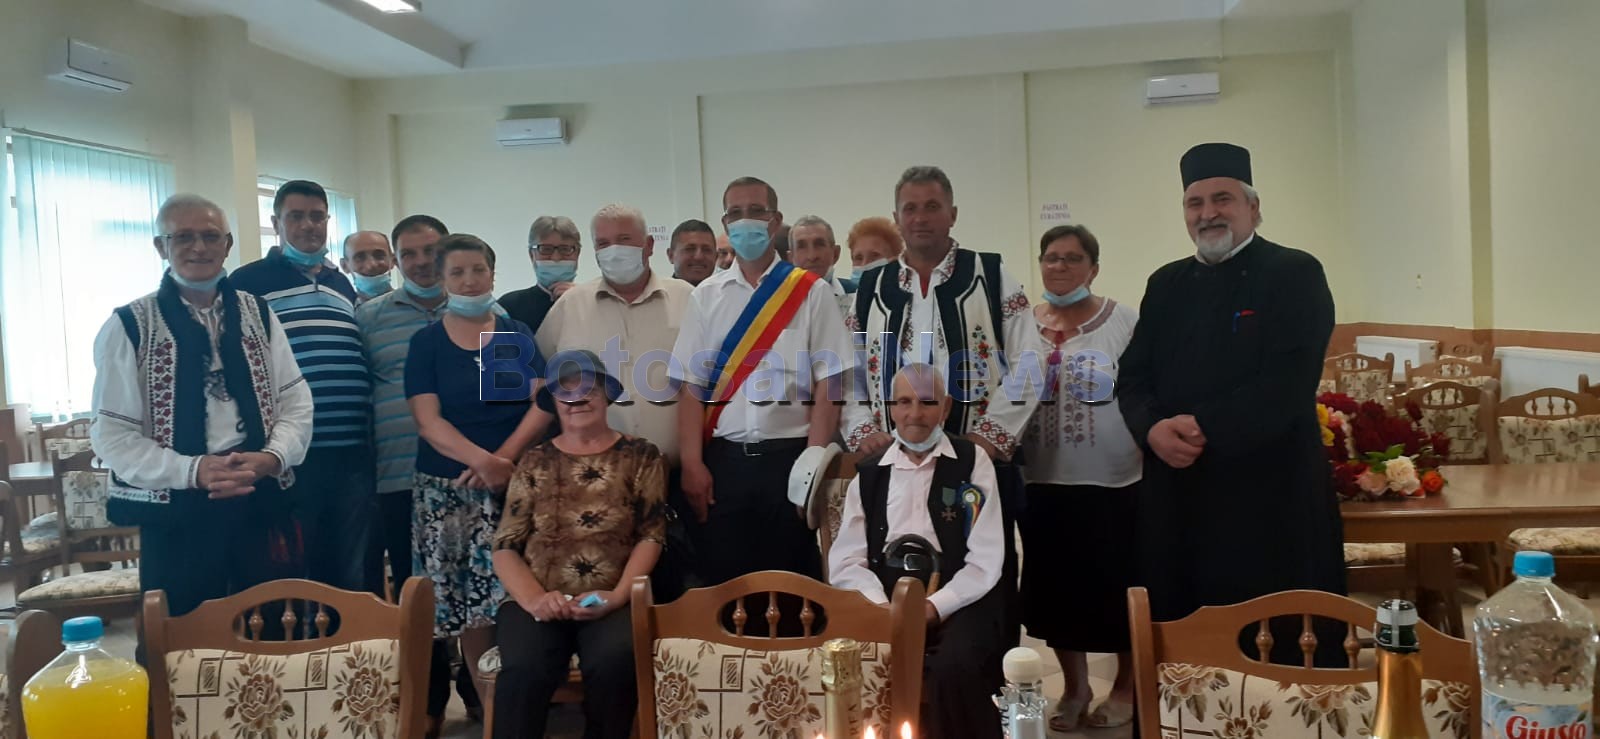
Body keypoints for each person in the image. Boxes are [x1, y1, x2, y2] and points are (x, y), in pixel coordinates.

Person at [1117, 142, 1342, 663]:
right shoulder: (1165, 283)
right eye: (1195, 203)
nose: (1208, 213)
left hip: (1269, 495)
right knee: (1184, 643)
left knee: (1279, 646)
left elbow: (1289, 380)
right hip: (1179, 494)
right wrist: (1151, 428)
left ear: (1253, 208)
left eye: (1223, 199)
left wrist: (1203, 427)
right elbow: (1132, 376)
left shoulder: (1294, 273)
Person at [843, 165, 1039, 646]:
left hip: (974, 462)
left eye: (932, 206)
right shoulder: (870, 287)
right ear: (897, 218)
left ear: (952, 213)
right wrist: (862, 429)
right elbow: (844, 369)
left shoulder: (990, 274)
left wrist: (988, 437)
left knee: (985, 582)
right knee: (891, 573)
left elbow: (1030, 363)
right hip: (893, 463)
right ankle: (905, 682)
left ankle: (986, 683)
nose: (921, 217)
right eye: (910, 208)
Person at [92, 194, 313, 618]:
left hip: (257, 496)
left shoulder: (259, 313)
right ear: (161, 246)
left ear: (227, 245)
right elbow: (113, 435)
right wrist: (192, 470)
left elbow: (296, 400)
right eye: (184, 237)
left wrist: (272, 457)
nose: (199, 248)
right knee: (181, 632)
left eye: (211, 237)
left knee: (270, 626)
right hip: (176, 511)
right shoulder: (130, 325)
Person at [669, 176, 853, 588]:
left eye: (756, 211)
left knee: (792, 587)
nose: (745, 220)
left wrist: (812, 464)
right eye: (735, 213)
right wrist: (693, 464)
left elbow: (831, 383)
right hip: (724, 464)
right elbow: (690, 386)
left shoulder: (810, 292)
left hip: (790, 459)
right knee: (726, 586)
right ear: (725, 222)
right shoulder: (706, 296)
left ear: (775, 220)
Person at [406, 234, 551, 736]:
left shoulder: (514, 333)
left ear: (492, 273)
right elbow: (428, 421)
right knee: (473, 610)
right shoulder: (427, 342)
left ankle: (525, 705)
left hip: (516, 485)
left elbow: (542, 403)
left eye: (478, 270)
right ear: (443, 280)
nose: (469, 281)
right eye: (457, 272)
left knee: (516, 599)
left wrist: (503, 460)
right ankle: (494, 715)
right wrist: (481, 462)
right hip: (450, 492)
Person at [491, 349, 666, 739]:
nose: (577, 398)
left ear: (606, 394)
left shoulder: (642, 456)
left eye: (588, 387)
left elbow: (651, 535)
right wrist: (536, 600)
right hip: (537, 598)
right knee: (524, 667)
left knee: (615, 661)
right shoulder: (534, 461)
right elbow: (505, 545)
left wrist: (617, 596)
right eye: (565, 391)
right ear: (554, 403)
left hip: (613, 597)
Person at [830, 364, 1005, 739]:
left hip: (958, 597)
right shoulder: (870, 473)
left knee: (957, 664)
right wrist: (883, 609)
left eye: (927, 402)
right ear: (890, 407)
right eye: (904, 402)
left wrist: (933, 607)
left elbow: (985, 557)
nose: (915, 414)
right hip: (884, 600)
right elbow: (846, 560)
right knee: (847, 658)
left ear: (946, 407)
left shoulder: (972, 462)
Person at [1018, 225, 1140, 731]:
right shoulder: (1022, 325)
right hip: (1043, 480)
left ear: (1094, 267)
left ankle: (1127, 686)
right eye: (1051, 257)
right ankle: (1075, 687)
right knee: (1057, 591)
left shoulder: (1123, 321)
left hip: (1114, 480)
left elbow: (1144, 389)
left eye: (1072, 258)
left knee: (1117, 587)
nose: (1060, 266)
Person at [229, 179, 373, 593]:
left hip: (352, 450)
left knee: (348, 568)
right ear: (276, 223)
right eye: (296, 216)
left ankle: (344, 638)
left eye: (317, 216)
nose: (308, 225)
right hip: (290, 452)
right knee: (291, 567)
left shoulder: (342, 283)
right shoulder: (248, 281)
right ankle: (299, 637)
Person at [355, 214, 449, 596]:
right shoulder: (368, 318)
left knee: (471, 582)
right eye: (409, 254)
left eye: (431, 250)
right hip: (397, 476)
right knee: (413, 588)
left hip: (467, 473)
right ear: (396, 260)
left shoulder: (488, 314)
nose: (421, 261)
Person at [498, 215, 581, 333]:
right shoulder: (508, 307)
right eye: (546, 249)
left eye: (565, 249)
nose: (556, 258)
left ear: (577, 254)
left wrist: (581, 298)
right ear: (532, 255)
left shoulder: (593, 304)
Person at [789, 214, 855, 317]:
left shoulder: (857, 295)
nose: (812, 256)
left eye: (819, 244)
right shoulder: (777, 301)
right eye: (801, 247)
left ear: (835, 254)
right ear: (790, 258)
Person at [341, 230, 396, 305]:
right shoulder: (342, 309)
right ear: (344, 266)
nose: (371, 265)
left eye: (379, 256)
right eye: (360, 258)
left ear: (392, 260)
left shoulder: (410, 306)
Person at [845, 216, 904, 283]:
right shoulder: (843, 289)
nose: (864, 264)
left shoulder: (910, 288)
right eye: (859, 258)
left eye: (875, 256)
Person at [666, 218, 718, 286]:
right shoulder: (659, 292)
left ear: (716, 256)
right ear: (671, 256)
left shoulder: (728, 292)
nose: (699, 257)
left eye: (706, 250)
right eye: (690, 249)